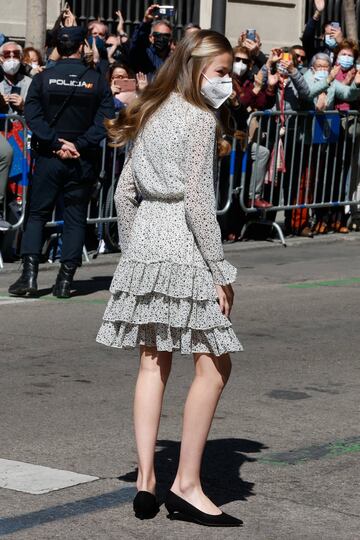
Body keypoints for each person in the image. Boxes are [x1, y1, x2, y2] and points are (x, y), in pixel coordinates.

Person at [96, 30, 243, 527]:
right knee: (214, 364)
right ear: (197, 68)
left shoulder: (152, 111)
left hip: (148, 241)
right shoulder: (199, 119)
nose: (230, 81)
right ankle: (186, 484)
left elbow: (123, 193)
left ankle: (145, 481)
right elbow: (201, 205)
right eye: (222, 71)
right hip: (183, 241)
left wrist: (137, 246)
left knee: (152, 362)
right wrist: (220, 270)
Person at [8, 27, 115, 299]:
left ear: (58, 47)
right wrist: (77, 145)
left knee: (37, 215)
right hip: (82, 159)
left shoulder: (44, 80)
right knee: (75, 217)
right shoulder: (97, 80)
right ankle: (65, 281)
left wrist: (56, 144)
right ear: (81, 48)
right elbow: (104, 120)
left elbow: (32, 115)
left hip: (49, 157)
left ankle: (29, 278)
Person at [128, 4, 173, 76]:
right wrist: (146, 22)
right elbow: (136, 43)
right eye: (158, 35)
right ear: (151, 38)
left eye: (166, 36)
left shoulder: (174, 60)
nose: (162, 39)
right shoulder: (145, 56)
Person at [0, 42, 32, 115]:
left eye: (16, 55)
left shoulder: (30, 83)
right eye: (7, 55)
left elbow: (37, 110)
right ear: (1, 58)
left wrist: (23, 106)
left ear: (20, 58)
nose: (12, 59)